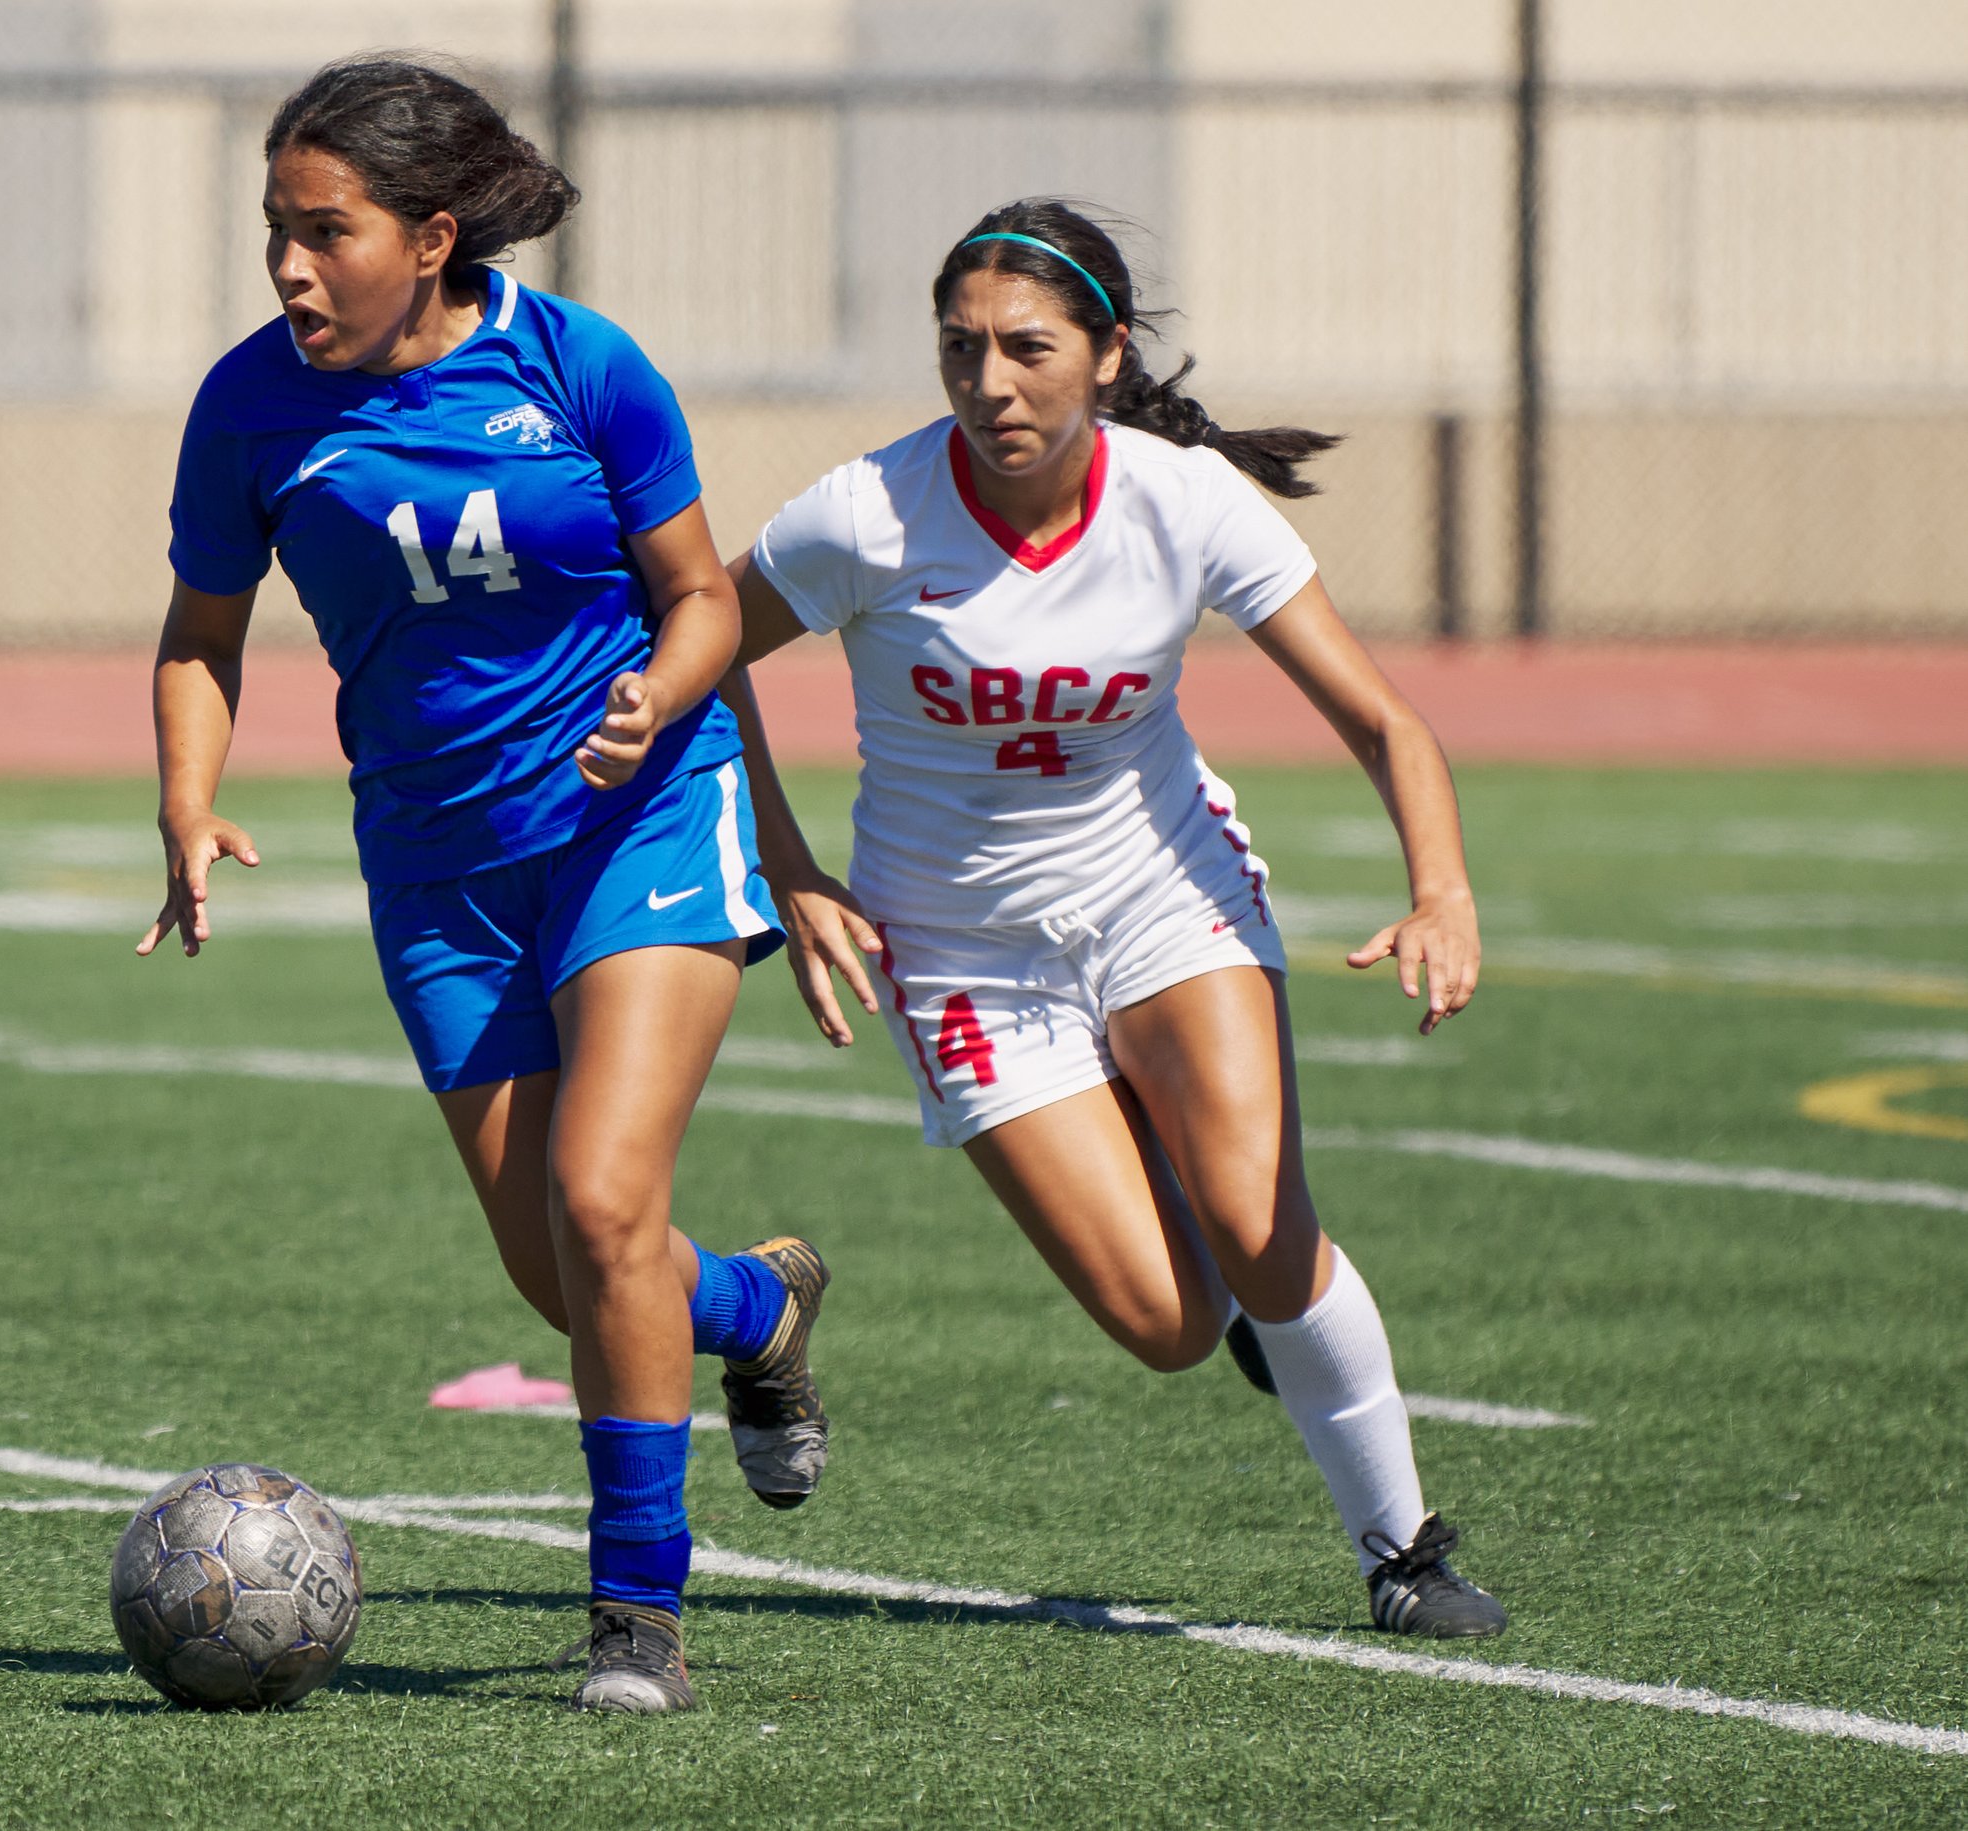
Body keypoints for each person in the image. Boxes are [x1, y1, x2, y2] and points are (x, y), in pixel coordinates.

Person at [137, 57, 830, 1713]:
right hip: (437, 867)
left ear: (432, 236)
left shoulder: (584, 368)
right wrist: (186, 795)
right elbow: (201, 634)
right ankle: (761, 1308)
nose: (290, 269)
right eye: (273, 235)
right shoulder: (250, 407)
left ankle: (634, 1622)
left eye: (326, 232)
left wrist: (663, 693)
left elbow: (704, 599)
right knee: (564, 1268)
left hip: (640, 821)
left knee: (602, 1207)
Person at [720, 198, 1507, 1638]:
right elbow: (700, 649)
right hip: (959, 955)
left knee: (1271, 1236)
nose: (991, 383)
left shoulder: (1181, 500)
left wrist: (1440, 891)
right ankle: (1231, 1269)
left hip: (1165, 898)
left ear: (1106, 354)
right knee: (1166, 1327)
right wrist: (791, 867)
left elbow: (1384, 721)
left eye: (1027, 349)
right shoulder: (864, 514)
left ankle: (1405, 1550)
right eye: (961, 351)